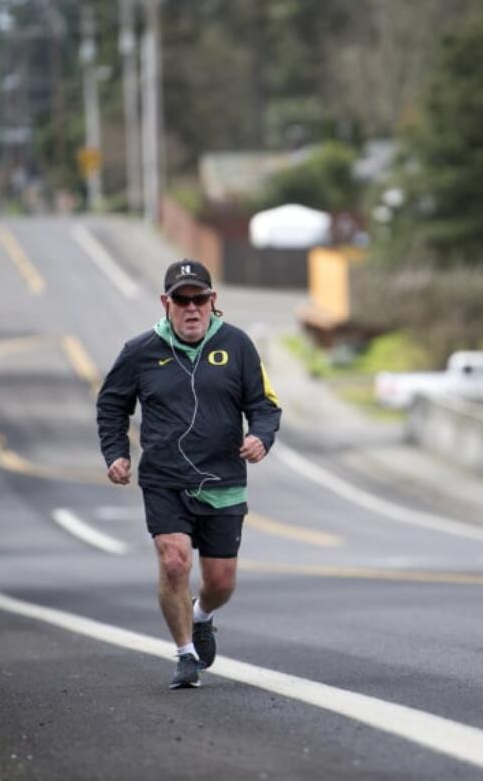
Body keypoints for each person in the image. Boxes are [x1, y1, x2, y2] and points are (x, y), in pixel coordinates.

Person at [96, 259, 281, 689]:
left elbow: (265, 406)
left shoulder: (237, 345)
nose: (191, 308)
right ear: (166, 303)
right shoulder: (140, 352)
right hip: (165, 478)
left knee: (220, 581)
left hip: (223, 479)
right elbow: (111, 405)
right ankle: (185, 655)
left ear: (213, 301)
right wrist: (116, 453)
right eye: (182, 300)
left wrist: (261, 438)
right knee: (174, 562)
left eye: (200, 299)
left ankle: (201, 616)